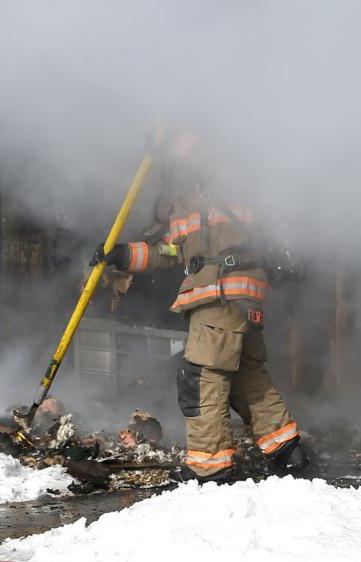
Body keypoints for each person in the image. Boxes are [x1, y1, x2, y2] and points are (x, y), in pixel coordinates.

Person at [94, 139, 309, 483]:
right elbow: (169, 252)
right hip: (247, 299)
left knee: (201, 378)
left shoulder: (211, 188)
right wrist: (122, 255)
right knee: (246, 375)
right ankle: (286, 449)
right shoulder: (209, 197)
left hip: (219, 295)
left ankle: (211, 466)